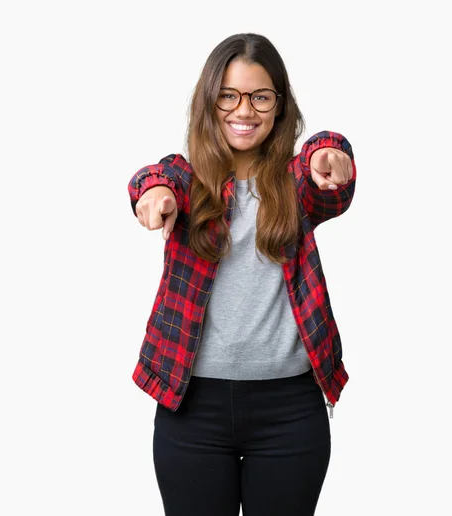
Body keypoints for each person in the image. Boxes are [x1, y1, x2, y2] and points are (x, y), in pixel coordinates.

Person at [127, 33, 356, 516]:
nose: (243, 110)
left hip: (289, 413)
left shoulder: (297, 183)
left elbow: (329, 164)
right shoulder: (186, 180)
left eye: (259, 96)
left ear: (279, 105)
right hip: (192, 410)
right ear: (209, 103)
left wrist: (328, 155)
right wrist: (155, 197)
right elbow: (151, 179)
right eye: (228, 96)